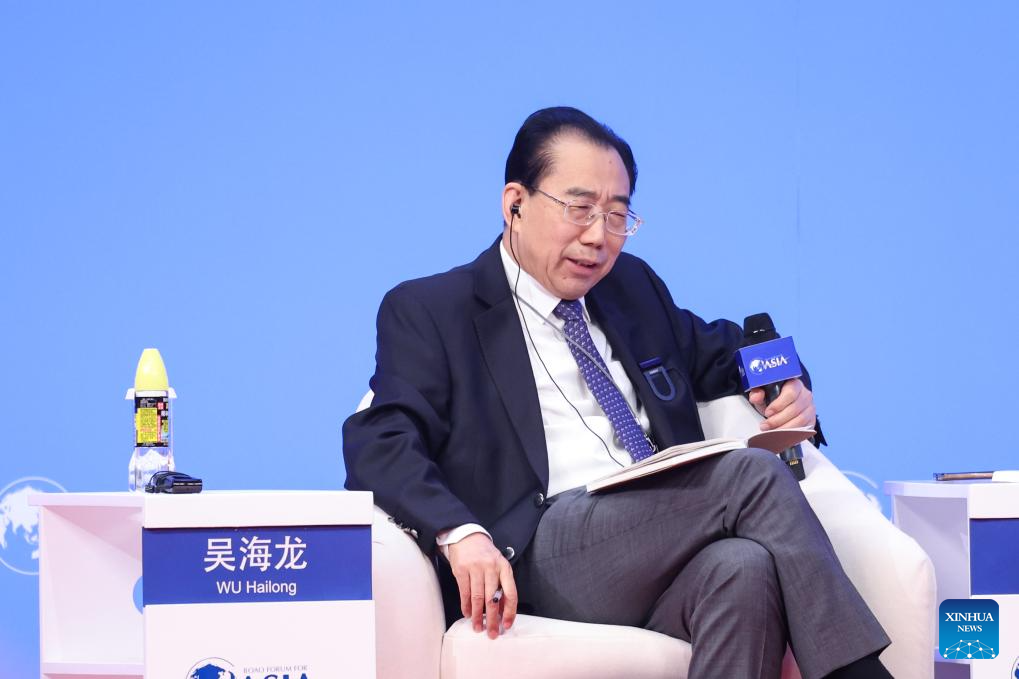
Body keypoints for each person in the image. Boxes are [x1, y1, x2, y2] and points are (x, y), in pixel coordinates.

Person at [343, 107, 891, 679]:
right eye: (579, 209)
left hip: (655, 534)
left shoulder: (632, 288)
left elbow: (727, 350)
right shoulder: (434, 310)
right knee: (749, 474)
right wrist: (460, 534)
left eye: (617, 216)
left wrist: (786, 381)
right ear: (515, 203)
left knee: (743, 567)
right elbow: (378, 441)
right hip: (535, 547)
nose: (598, 237)